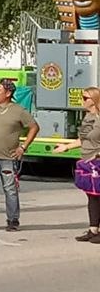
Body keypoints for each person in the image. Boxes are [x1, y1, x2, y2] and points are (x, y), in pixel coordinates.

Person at [0, 78, 39, 232]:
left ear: (8, 93)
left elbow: (34, 127)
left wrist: (23, 147)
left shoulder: (19, 110)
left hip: (7, 158)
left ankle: (13, 219)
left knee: (10, 189)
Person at [52, 86, 100, 242]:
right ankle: (93, 229)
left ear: (94, 100)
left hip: (98, 160)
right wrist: (66, 146)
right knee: (92, 196)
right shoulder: (88, 118)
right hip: (87, 160)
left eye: (85, 98)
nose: (82, 100)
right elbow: (84, 139)